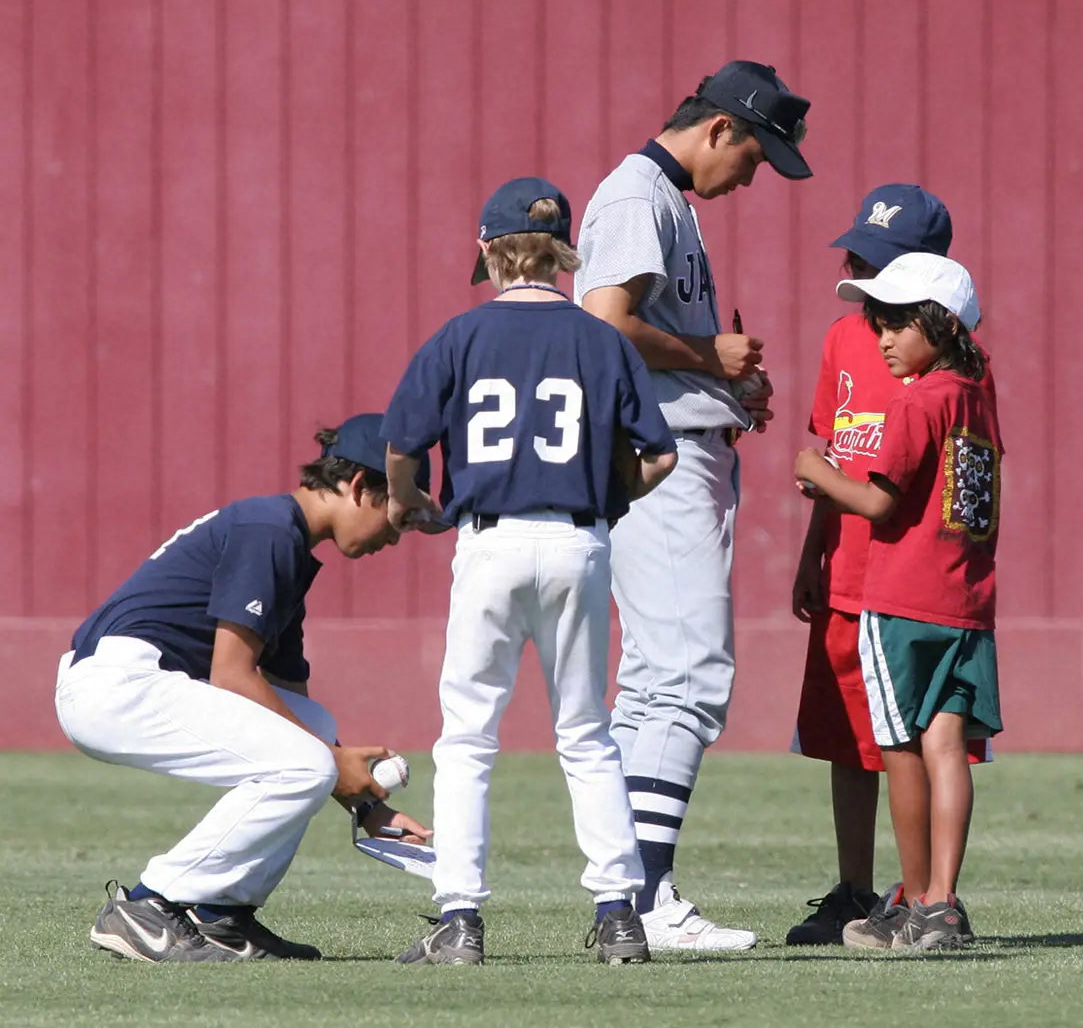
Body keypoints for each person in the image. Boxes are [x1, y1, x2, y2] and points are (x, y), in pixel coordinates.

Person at [381, 177, 678, 966]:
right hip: (578, 540)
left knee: (468, 738)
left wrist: (409, 505)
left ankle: (460, 918)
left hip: (489, 539)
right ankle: (620, 913)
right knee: (586, 734)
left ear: (489, 250)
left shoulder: (459, 336)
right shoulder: (601, 338)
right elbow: (662, 454)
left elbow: (403, 446)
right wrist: (603, 501)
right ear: (564, 254)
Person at [574, 60, 810, 951]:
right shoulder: (642, 196)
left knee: (652, 685)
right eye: (754, 154)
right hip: (659, 461)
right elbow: (603, 320)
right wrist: (712, 362)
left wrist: (727, 383)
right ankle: (643, 897)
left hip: (670, 447)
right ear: (717, 128)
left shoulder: (659, 198)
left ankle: (624, 895)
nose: (752, 176)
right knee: (686, 676)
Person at [54, 415, 433, 963]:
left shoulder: (288, 545)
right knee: (310, 759)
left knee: (316, 729)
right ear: (358, 487)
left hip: (129, 682)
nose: (397, 535)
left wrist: (364, 802)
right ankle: (147, 906)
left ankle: (222, 915)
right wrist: (330, 761)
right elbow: (233, 674)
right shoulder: (268, 529)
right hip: (115, 685)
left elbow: (289, 704)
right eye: (398, 513)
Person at [786, 184, 992, 946]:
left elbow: (864, 484)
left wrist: (824, 479)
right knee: (852, 735)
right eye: (859, 255)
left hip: (907, 578)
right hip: (862, 571)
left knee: (913, 739)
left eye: (881, 264)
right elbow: (837, 450)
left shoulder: (944, 374)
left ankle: (920, 894)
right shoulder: (851, 340)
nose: (861, 271)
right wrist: (813, 548)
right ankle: (860, 888)